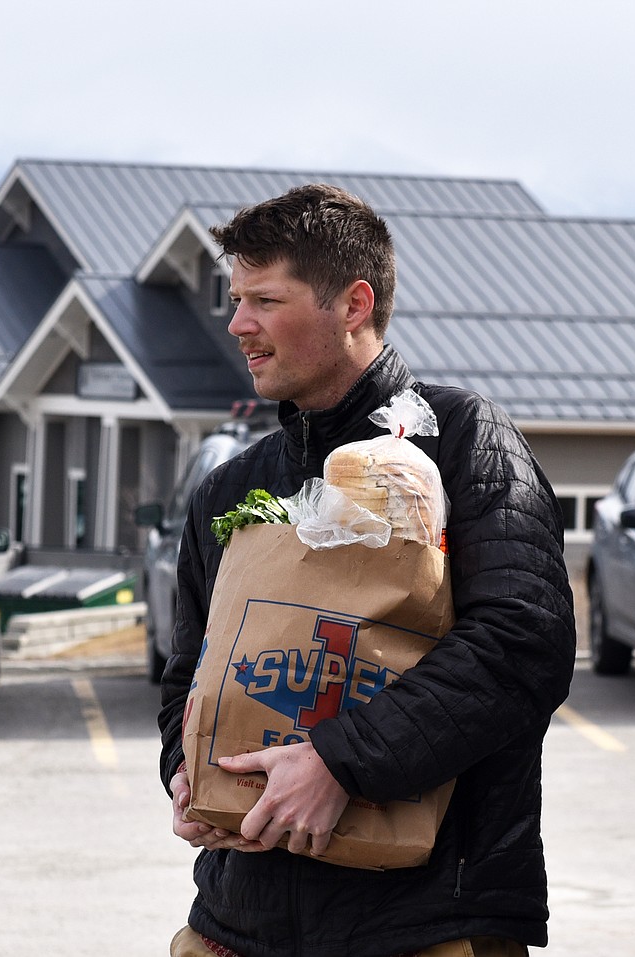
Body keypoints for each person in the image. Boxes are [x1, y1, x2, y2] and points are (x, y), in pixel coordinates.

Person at [158, 184, 576, 957]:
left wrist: (340, 763)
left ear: (353, 305)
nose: (237, 324)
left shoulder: (464, 443)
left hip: (422, 927)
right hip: (234, 927)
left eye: (264, 299)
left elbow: (526, 643)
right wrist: (187, 778)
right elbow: (190, 673)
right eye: (235, 298)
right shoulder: (229, 487)